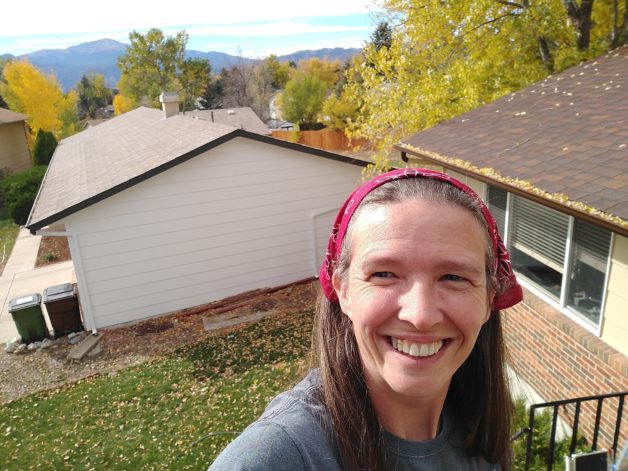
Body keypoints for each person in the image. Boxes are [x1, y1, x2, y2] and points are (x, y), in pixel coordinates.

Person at [209, 168, 523, 470]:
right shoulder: (278, 456)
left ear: (488, 300)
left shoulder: (481, 434)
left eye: (453, 277)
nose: (421, 315)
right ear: (342, 290)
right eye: (384, 274)